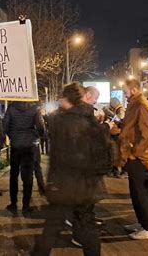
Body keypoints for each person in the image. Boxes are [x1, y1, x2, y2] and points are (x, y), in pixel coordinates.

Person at [35, 83, 111, 256]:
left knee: (52, 226)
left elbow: (58, 156)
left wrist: (51, 182)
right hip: (87, 185)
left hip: (65, 184)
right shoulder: (90, 118)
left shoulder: (61, 121)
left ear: (67, 98)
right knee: (88, 227)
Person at [118, 79, 148, 240]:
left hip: (139, 156)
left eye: (125, 90)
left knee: (141, 192)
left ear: (133, 89)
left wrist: (135, 153)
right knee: (135, 192)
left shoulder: (142, 104)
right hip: (132, 154)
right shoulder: (135, 103)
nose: (123, 93)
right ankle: (141, 223)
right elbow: (131, 127)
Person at [3, 101, 45, 212]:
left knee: (14, 175)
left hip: (16, 145)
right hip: (29, 145)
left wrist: (12, 136)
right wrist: (36, 135)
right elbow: (41, 127)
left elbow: (5, 125)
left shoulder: (11, 107)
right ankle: (26, 206)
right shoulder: (34, 108)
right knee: (28, 176)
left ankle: (13, 204)